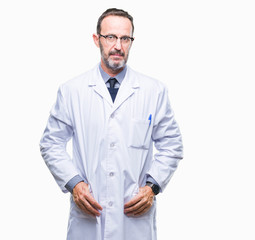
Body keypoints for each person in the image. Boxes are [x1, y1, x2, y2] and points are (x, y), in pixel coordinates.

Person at [39, 8, 183, 240]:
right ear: (97, 40)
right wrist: (75, 184)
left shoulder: (153, 91)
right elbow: (50, 143)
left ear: (131, 42)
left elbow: (172, 145)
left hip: (134, 218)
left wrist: (152, 187)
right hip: (89, 217)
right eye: (110, 37)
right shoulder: (72, 91)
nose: (118, 46)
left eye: (125, 38)